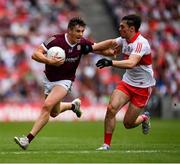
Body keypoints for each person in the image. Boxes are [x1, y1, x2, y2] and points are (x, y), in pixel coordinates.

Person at [14, 17, 117, 150]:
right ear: (69, 30)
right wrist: (49, 61)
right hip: (48, 79)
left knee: (47, 106)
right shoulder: (55, 40)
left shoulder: (82, 43)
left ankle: (27, 139)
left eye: (82, 31)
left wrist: (110, 51)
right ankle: (73, 106)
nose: (80, 34)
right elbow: (35, 54)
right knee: (53, 113)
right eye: (77, 31)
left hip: (65, 81)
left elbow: (94, 48)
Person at [95, 14, 156, 150]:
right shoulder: (124, 39)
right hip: (127, 83)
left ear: (131, 29)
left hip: (142, 87)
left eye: (122, 27)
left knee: (128, 124)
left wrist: (110, 62)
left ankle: (144, 118)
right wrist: (91, 48)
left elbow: (131, 63)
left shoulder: (141, 43)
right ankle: (106, 145)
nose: (119, 28)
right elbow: (110, 43)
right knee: (111, 109)